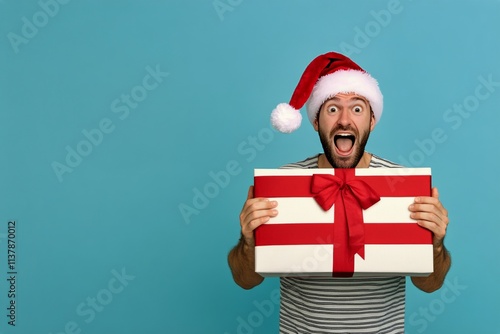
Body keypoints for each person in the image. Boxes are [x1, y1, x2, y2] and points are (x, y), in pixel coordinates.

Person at [227, 52, 451, 333]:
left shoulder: (402, 186)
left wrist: (436, 243)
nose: (344, 120)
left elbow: (430, 284)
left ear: (371, 121)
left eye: (357, 109)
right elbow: (245, 280)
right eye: (332, 109)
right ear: (316, 122)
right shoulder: (284, 184)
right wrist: (248, 241)